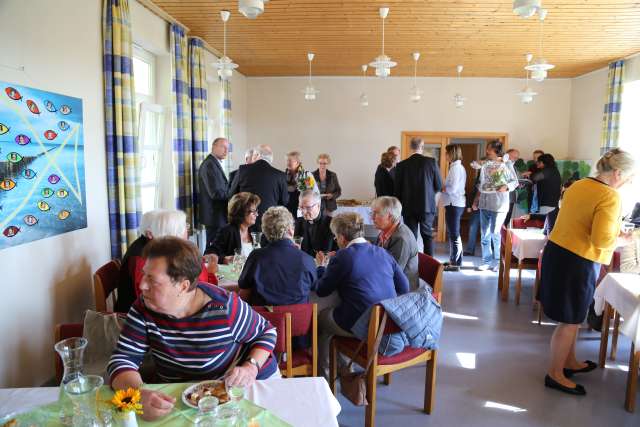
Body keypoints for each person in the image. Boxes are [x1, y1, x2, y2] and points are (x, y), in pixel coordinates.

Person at [108, 237, 278, 421]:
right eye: (144, 275)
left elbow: (266, 332)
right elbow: (122, 359)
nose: (141, 285)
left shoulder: (224, 308)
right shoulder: (143, 308)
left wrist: (250, 367)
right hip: (177, 397)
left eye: (152, 280)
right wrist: (138, 394)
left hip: (231, 392)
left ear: (183, 285)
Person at [539, 149, 635, 396]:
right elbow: (602, 240)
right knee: (570, 320)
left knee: (573, 316)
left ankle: (568, 362)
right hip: (578, 260)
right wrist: (623, 240)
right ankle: (555, 373)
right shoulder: (610, 196)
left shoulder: (580, 185)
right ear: (617, 173)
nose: (629, 182)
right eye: (629, 177)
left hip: (558, 252)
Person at [314, 212, 410, 378]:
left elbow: (322, 290)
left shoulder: (343, 256)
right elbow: (404, 287)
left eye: (336, 237)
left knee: (321, 320)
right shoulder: (382, 252)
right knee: (344, 309)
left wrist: (321, 267)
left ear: (342, 238)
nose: (336, 240)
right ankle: (344, 367)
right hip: (389, 324)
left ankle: (326, 375)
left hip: (362, 324)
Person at [115, 210, 219, 313]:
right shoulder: (144, 258)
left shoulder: (166, 252)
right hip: (138, 317)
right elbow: (148, 301)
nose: (187, 232)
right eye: (183, 228)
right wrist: (210, 272)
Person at [238, 206, 317, 306]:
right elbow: (314, 287)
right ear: (290, 230)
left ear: (265, 232)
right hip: (298, 320)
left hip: (262, 320)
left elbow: (244, 291)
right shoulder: (307, 259)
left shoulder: (256, 257)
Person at [393, 137, 443, 256]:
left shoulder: (401, 165)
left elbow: (397, 190)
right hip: (426, 206)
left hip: (408, 207)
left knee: (411, 237)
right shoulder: (431, 162)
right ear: (422, 147)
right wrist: (429, 194)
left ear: (411, 147)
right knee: (427, 237)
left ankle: (412, 264)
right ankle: (429, 267)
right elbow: (439, 185)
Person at [474, 141, 518, 271]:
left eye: (489, 149)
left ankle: (499, 262)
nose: (487, 152)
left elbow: (514, 182)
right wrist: (476, 200)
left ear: (495, 150)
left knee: (495, 233)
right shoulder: (485, 163)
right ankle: (486, 261)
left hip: (499, 205)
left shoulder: (506, 163)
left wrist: (506, 187)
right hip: (485, 203)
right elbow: (479, 177)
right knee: (485, 234)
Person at [229, 144, 288, 230]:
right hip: (270, 222)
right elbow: (284, 201)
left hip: (245, 220)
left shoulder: (242, 170)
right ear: (270, 159)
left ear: (257, 155)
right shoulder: (280, 175)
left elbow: (232, 195)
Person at [371, 196, 419, 289]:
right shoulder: (385, 231)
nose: (372, 217)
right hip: (388, 281)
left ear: (389, 216)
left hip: (401, 290)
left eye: (376, 213)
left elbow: (392, 273)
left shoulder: (401, 238)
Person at [114, 210, 156, 313]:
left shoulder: (149, 247)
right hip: (131, 315)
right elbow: (144, 295)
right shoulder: (139, 257)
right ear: (149, 233)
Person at [198, 137, 230, 251]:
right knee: (212, 250)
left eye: (228, 148)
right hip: (214, 217)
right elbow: (215, 193)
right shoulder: (209, 165)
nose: (226, 151)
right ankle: (206, 269)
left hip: (218, 215)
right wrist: (234, 195)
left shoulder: (214, 163)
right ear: (213, 147)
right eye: (223, 147)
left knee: (217, 249)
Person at [210, 192, 261, 262]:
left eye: (256, 211)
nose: (257, 214)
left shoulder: (255, 231)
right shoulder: (227, 231)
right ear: (242, 212)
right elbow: (209, 254)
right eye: (253, 211)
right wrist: (224, 259)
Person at [441, 145, 467, 271]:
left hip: (454, 203)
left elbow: (453, 189)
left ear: (452, 154)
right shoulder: (455, 167)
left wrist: (442, 188)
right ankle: (454, 260)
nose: (445, 155)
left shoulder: (456, 168)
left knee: (454, 234)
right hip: (454, 203)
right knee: (453, 233)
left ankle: (455, 263)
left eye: (446, 153)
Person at [294, 190, 336, 257]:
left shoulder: (331, 224)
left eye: (308, 208)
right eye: (301, 207)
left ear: (318, 206)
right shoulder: (299, 222)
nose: (303, 212)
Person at [284, 151, 317, 218]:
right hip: (286, 210)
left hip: (301, 211)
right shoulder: (283, 175)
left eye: (290, 161)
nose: (288, 163)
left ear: (298, 162)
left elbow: (309, 193)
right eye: (287, 160)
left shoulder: (306, 175)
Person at [504, 148, 521, 225]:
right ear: (507, 156)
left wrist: (521, 184)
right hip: (502, 196)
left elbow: (517, 181)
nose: (515, 159)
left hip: (511, 197)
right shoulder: (501, 165)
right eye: (514, 157)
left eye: (517, 158)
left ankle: (502, 236)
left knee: (507, 219)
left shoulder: (515, 167)